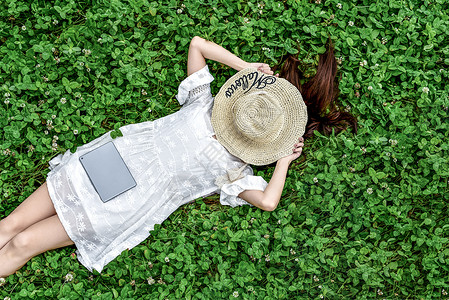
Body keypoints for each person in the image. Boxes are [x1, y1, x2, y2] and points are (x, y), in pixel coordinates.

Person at [0, 36, 356, 278]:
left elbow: (267, 201)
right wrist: (244, 65)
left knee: (26, 242)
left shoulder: (234, 169)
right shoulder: (205, 103)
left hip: (123, 204)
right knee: (11, 225)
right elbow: (198, 44)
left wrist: (282, 160)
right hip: (105, 164)